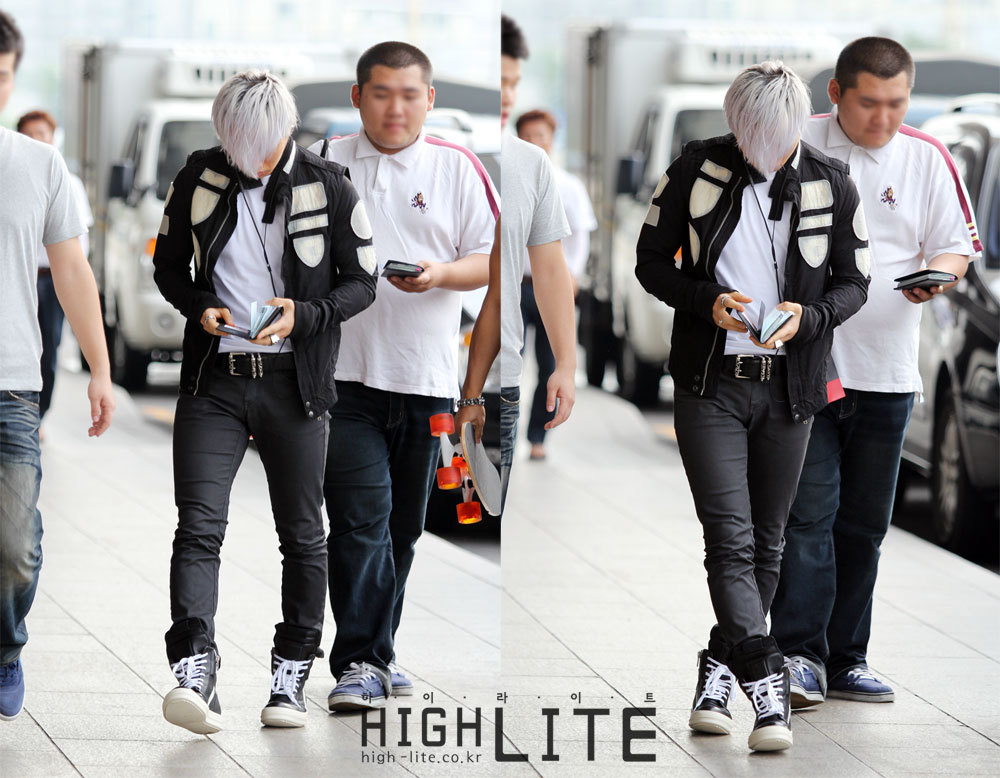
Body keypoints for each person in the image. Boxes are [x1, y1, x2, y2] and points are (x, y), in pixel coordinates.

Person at [635, 61, 871, 752]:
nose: (760, 150)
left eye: (775, 136)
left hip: (790, 387)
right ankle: (768, 687)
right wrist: (706, 300)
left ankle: (717, 673)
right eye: (747, 135)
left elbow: (855, 281)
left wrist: (810, 317)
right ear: (734, 123)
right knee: (730, 539)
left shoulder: (832, 181)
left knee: (769, 542)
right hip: (710, 383)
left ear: (798, 125)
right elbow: (651, 261)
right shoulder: (697, 168)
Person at [152, 70, 377, 733]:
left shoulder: (329, 185)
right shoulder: (199, 175)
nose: (248, 158)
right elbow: (167, 267)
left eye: (261, 145)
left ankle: (291, 676)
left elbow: (362, 281)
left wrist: (304, 315)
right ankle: (194, 669)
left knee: (303, 534)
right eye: (235, 145)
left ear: (285, 129)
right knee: (198, 526)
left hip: (296, 384)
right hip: (214, 381)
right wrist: (202, 307)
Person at [769, 37, 980, 708]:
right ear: (836, 93)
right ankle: (799, 654)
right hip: (804, 366)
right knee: (808, 517)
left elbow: (955, 247)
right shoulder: (793, 143)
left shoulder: (926, 156)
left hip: (887, 372)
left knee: (864, 525)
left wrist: (937, 277)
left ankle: (846, 659)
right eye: (869, 103)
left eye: (897, 103)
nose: (884, 118)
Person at [309, 41, 497, 710]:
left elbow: (493, 258)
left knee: (402, 530)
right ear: (358, 96)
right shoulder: (322, 161)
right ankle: (359, 662)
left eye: (410, 94)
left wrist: (440, 274)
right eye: (382, 93)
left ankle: (379, 651)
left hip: (426, 379)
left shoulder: (456, 166)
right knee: (360, 521)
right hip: (342, 379)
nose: (396, 108)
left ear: (430, 99)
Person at [0, 10, 115, 722]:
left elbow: (72, 272)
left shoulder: (39, 164)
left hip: (11, 383)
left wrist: (99, 368)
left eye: (0, 76)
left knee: (14, 546)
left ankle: (4, 648)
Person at [460, 15, 575, 503]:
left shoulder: (530, 163)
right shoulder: (454, 155)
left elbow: (550, 269)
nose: (507, 95)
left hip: (505, 379)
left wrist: (566, 364)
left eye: (514, 83)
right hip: (433, 366)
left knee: (492, 507)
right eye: (498, 82)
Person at [515, 109, 597, 461]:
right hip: (516, 285)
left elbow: (580, 237)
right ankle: (506, 432)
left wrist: (572, 276)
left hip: (552, 286)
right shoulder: (510, 182)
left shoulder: (568, 185)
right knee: (510, 363)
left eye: (541, 136)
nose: (535, 142)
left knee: (550, 365)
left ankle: (538, 437)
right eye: (527, 136)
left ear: (552, 139)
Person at [17, 109, 95, 434]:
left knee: (49, 348)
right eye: (30, 135)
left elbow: (79, 243)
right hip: (20, 278)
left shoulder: (68, 181)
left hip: (52, 279)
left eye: (43, 134)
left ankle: (38, 417)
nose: (37, 140)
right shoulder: (13, 176)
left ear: (53, 137)